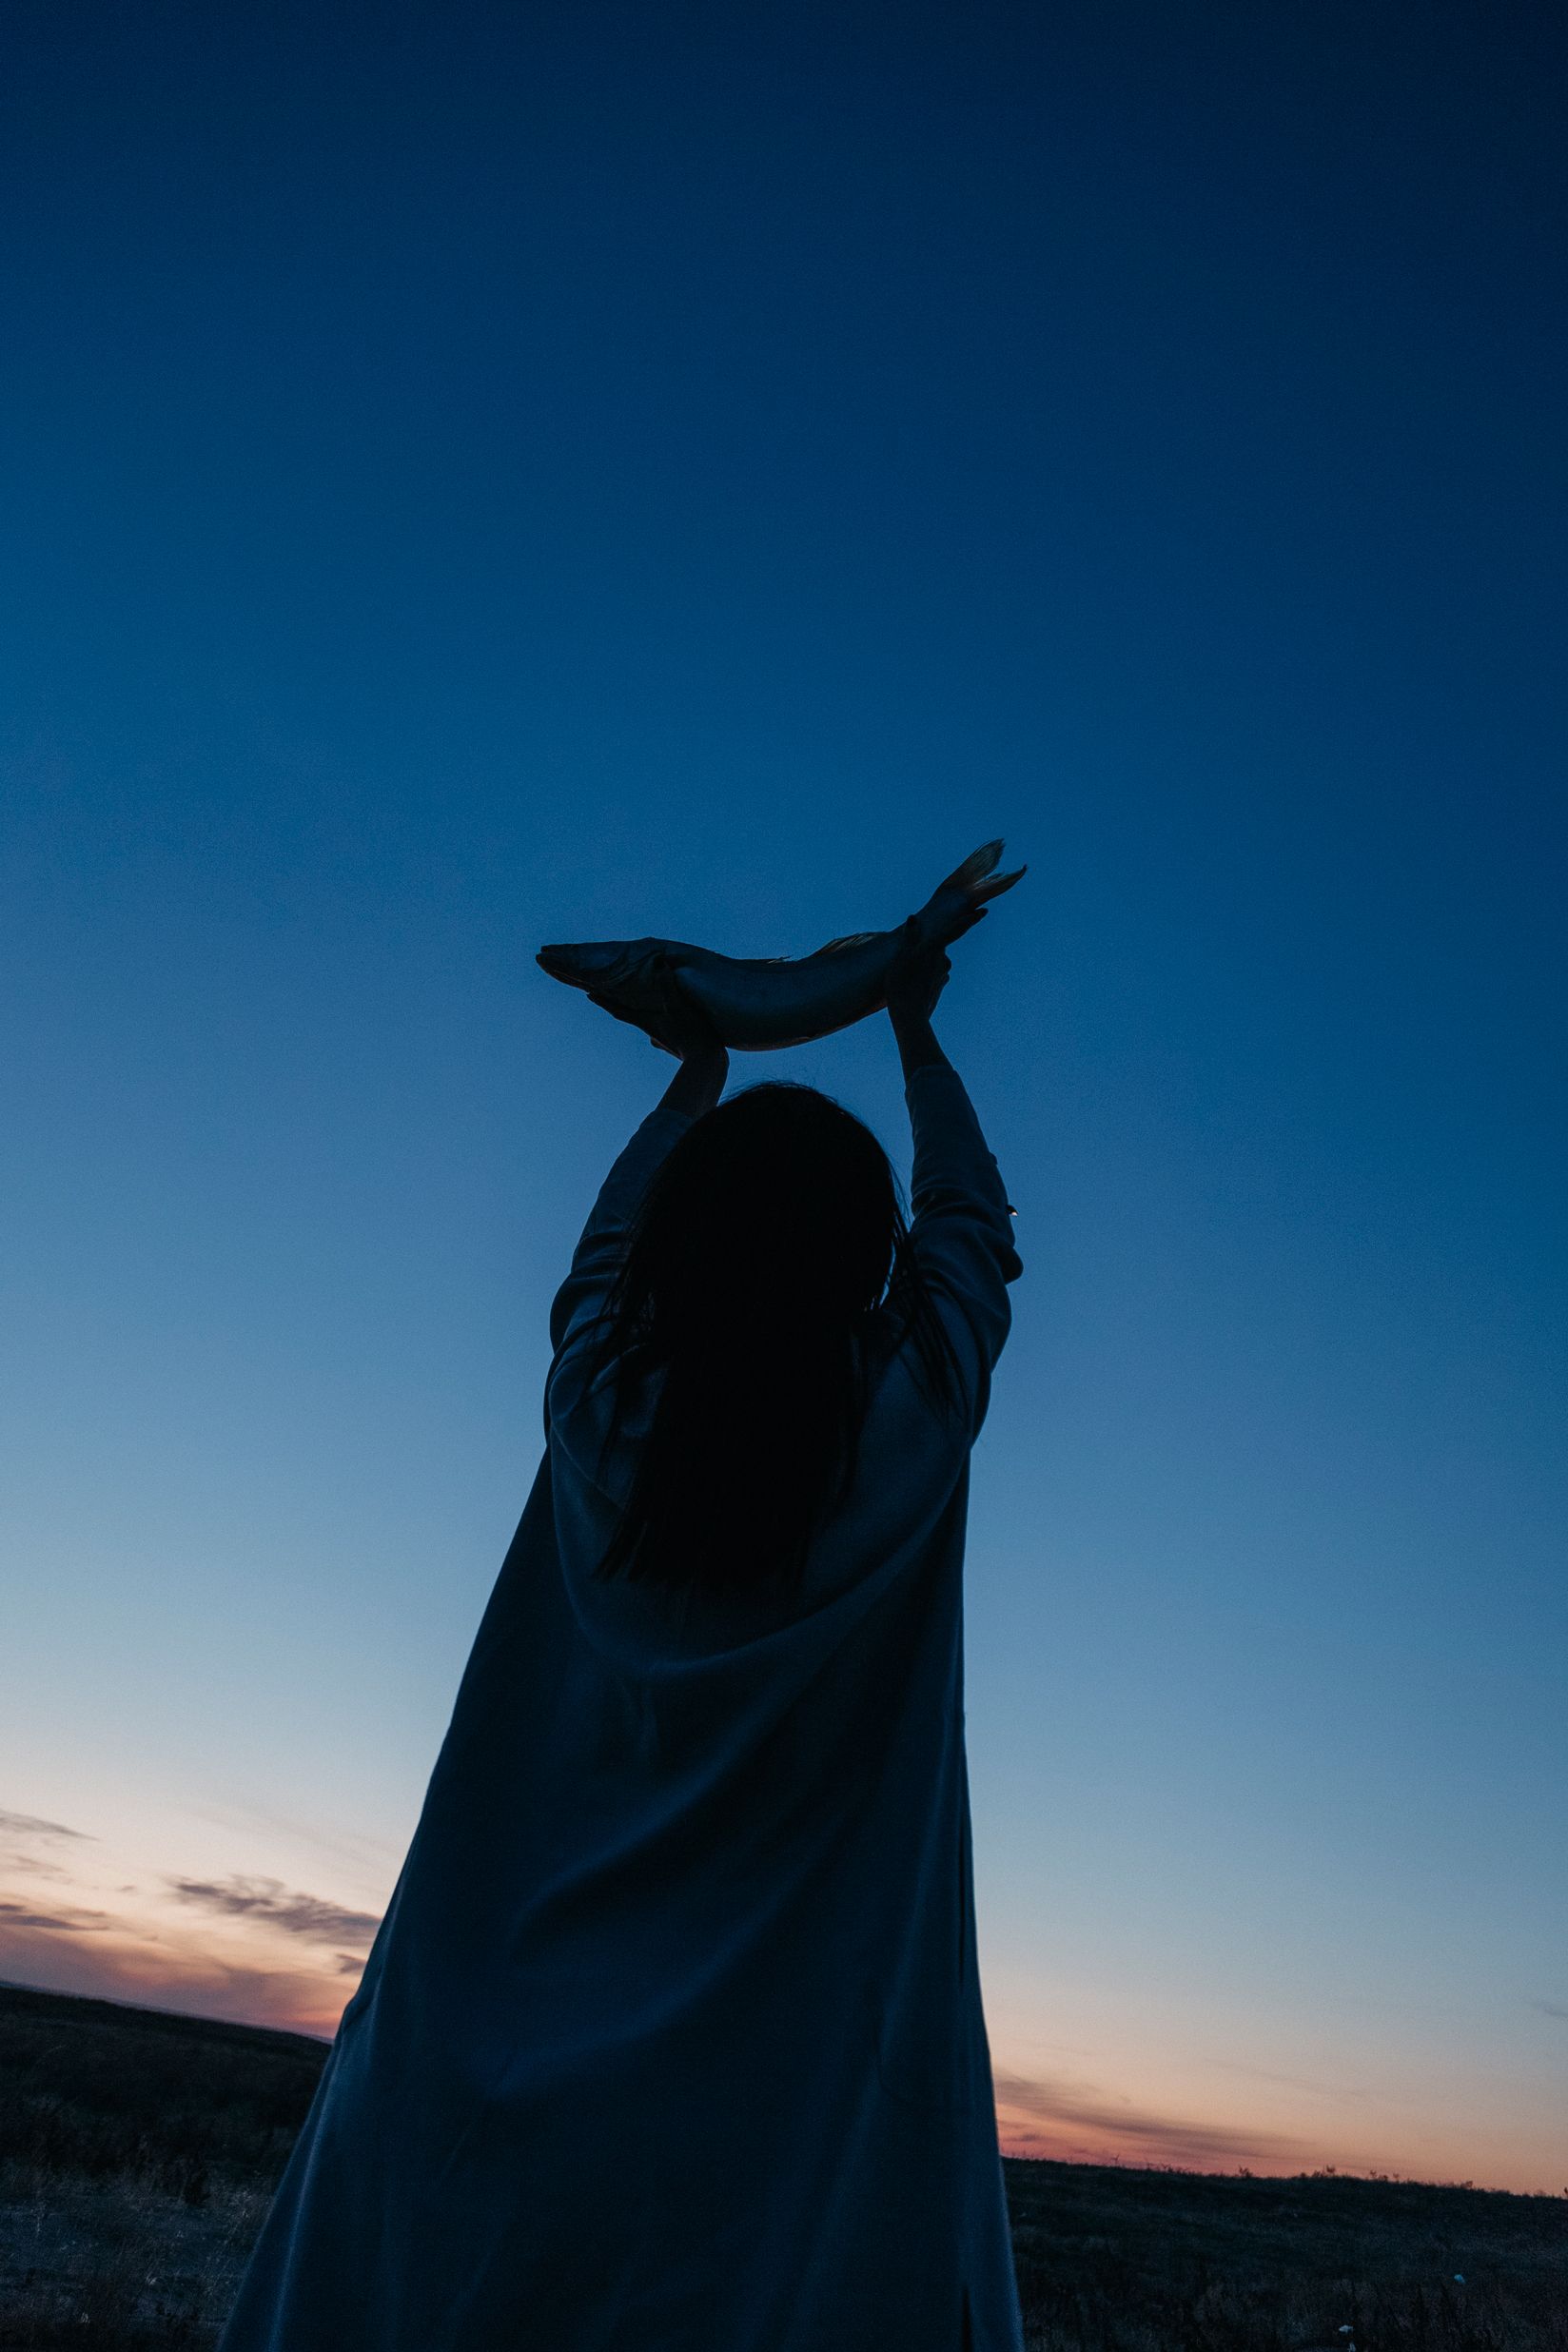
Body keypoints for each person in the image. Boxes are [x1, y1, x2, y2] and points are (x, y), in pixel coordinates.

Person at [217, 931, 1026, 2352]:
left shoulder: (592, 1400)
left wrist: (697, 1073)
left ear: (672, 1250)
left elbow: (609, 1249)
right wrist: (914, 1024)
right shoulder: (913, 1418)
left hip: (484, 2080)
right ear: (871, 1258)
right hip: (780, 2141)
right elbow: (970, 1224)